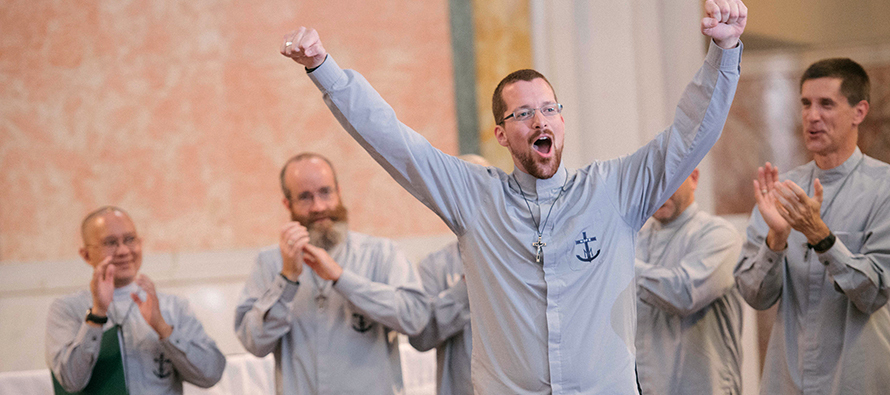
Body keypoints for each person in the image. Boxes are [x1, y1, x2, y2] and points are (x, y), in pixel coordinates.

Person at [282, 1, 746, 391]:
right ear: (502, 135)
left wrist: (724, 52)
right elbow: (397, 144)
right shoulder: (473, 197)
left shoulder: (614, 190)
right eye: (524, 113)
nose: (540, 121)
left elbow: (689, 135)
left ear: (562, 121)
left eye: (549, 109)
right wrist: (326, 70)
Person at [734, 58, 890, 394]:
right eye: (806, 103)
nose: (812, 116)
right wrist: (776, 239)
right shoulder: (782, 191)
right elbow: (754, 295)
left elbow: (874, 292)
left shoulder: (885, 189)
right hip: (787, 381)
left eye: (826, 104)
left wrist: (820, 236)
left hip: (856, 382)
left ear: (859, 112)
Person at [234, 153, 431, 395]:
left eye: (325, 192)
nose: (318, 207)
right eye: (305, 197)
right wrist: (286, 279)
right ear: (288, 204)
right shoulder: (269, 263)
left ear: (338, 192)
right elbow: (254, 343)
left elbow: (416, 319)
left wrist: (342, 279)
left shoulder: (381, 253)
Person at [45, 206, 225, 394]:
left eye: (130, 240)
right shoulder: (67, 309)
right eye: (110, 242)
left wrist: (163, 328)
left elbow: (211, 375)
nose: (123, 251)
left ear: (140, 243)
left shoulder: (172, 306)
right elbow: (70, 381)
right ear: (86, 255)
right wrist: (97, 314)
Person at [634, 169, 743, 394]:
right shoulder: (635, 242)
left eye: (668, 180)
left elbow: (684, 294)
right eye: (651, 183)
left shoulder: (719, 234)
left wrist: (618, 266)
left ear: (693, 178)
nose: (659, 191)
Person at [408, 154, 489, 395]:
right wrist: (467, 285)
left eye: (481, 188)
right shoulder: (434, 266)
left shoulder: (529, 254)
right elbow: (420, 338)